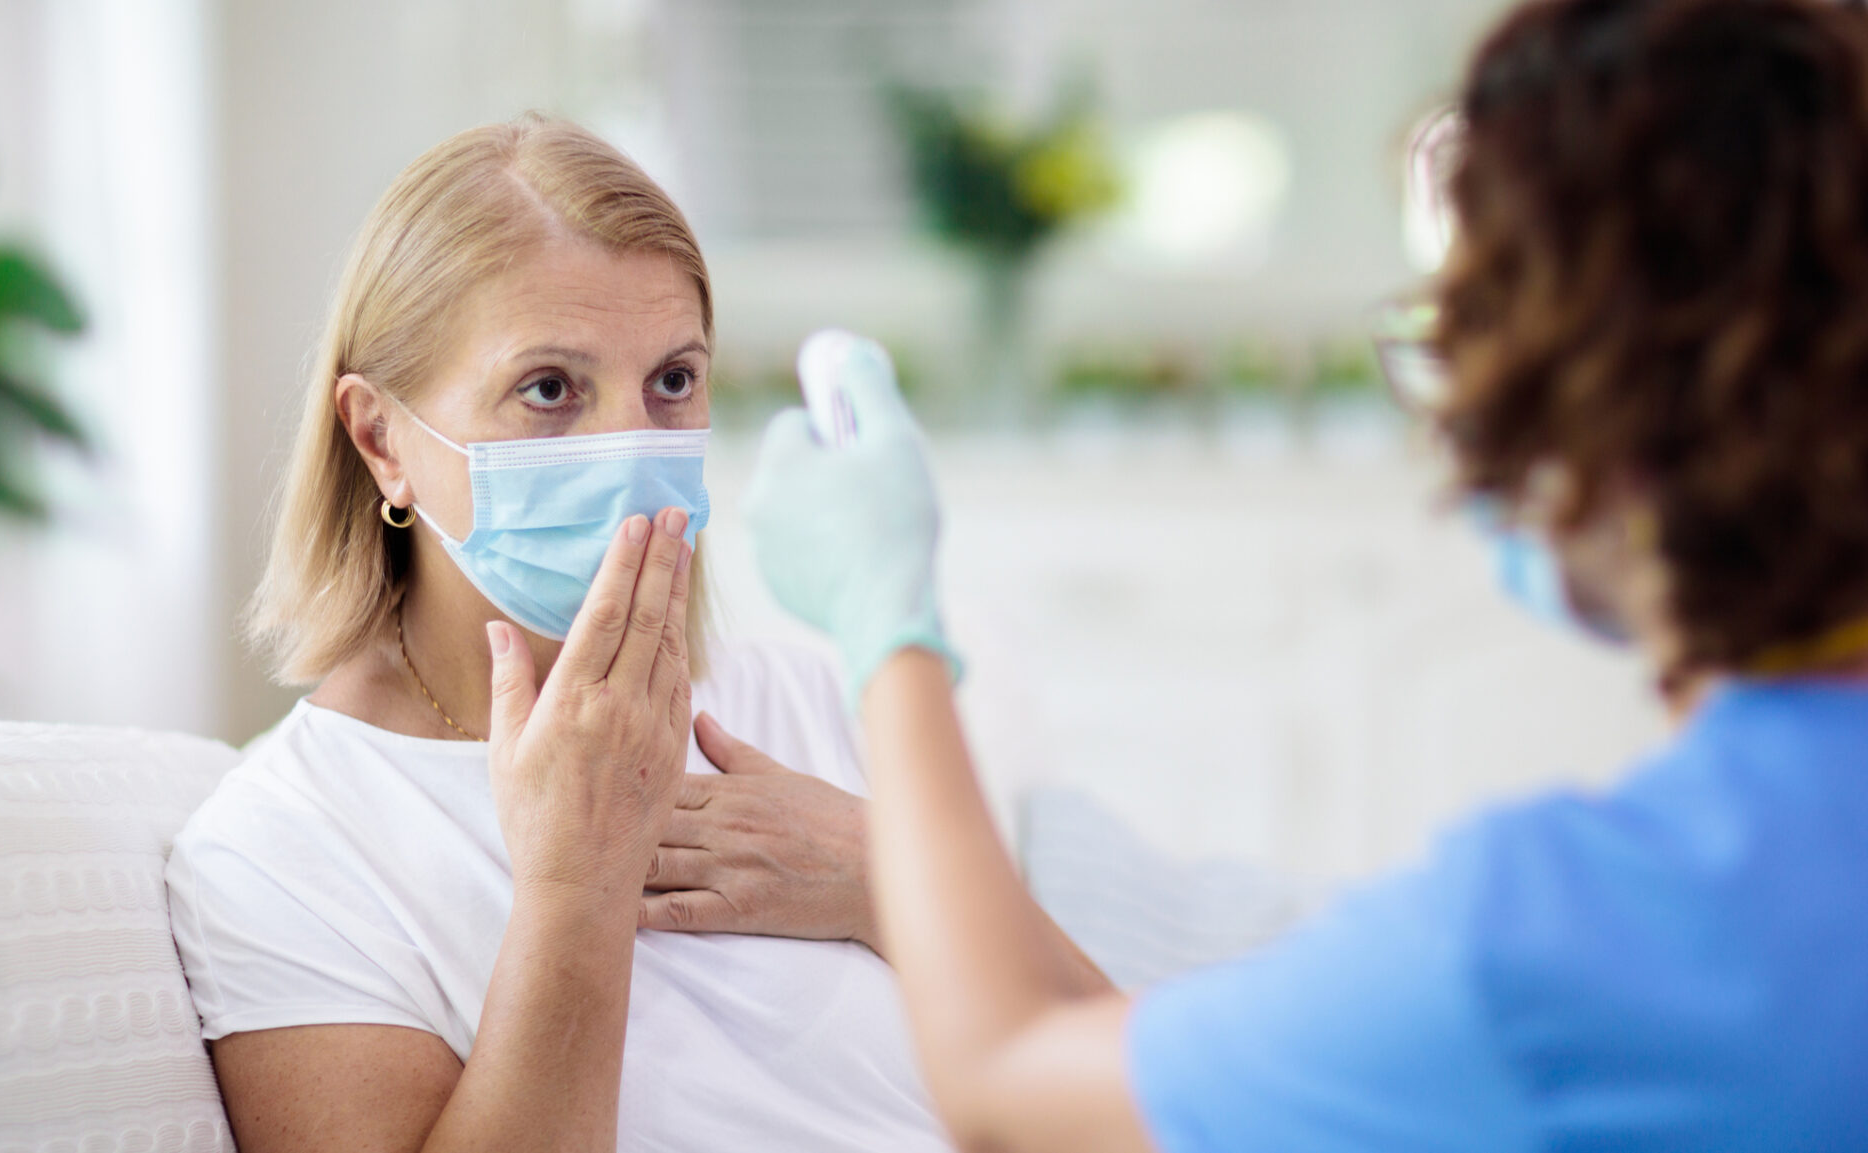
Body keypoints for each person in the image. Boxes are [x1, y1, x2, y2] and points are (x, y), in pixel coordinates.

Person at [735, 1, 1868, 1149]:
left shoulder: (1560, 933)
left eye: (1465, 343)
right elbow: (1206, 1070)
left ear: (1597, 413)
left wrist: (888, 625)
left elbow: (1011, 1088)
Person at [165, 114, 1102, 1152]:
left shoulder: (810, 703)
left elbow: (1138, 1095)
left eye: (672, 382)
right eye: (551, 389)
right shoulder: (285, 847)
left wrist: (877, 872)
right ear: (382, 438)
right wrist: (578, 888)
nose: (630, 449)